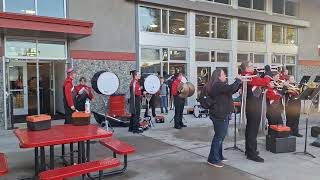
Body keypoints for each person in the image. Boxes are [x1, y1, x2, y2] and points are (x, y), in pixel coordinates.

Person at [207, 69, 242, 168]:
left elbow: (231, 90)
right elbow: (230, 88)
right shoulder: (217, 85)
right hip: (219, 115)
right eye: (223, 74)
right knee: (218, 137)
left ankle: (218, 156)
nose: (225, 75)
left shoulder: (221, 85)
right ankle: (212, 159)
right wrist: (238, 81)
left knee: (220, 137)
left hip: (223, 114)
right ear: (218, 76)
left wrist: (238, 84)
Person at [240, 61, 270, 163]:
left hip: (253, 105)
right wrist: (267, 74)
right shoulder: (248, 76)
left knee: (250, 129)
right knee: (253, 130)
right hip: (253, 107)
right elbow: (264, 82)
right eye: (251, 65)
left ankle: (249, 150)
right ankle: (251, 153)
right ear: (247, 68)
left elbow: (259, 85)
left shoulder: (250, 75)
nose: (253, 67)